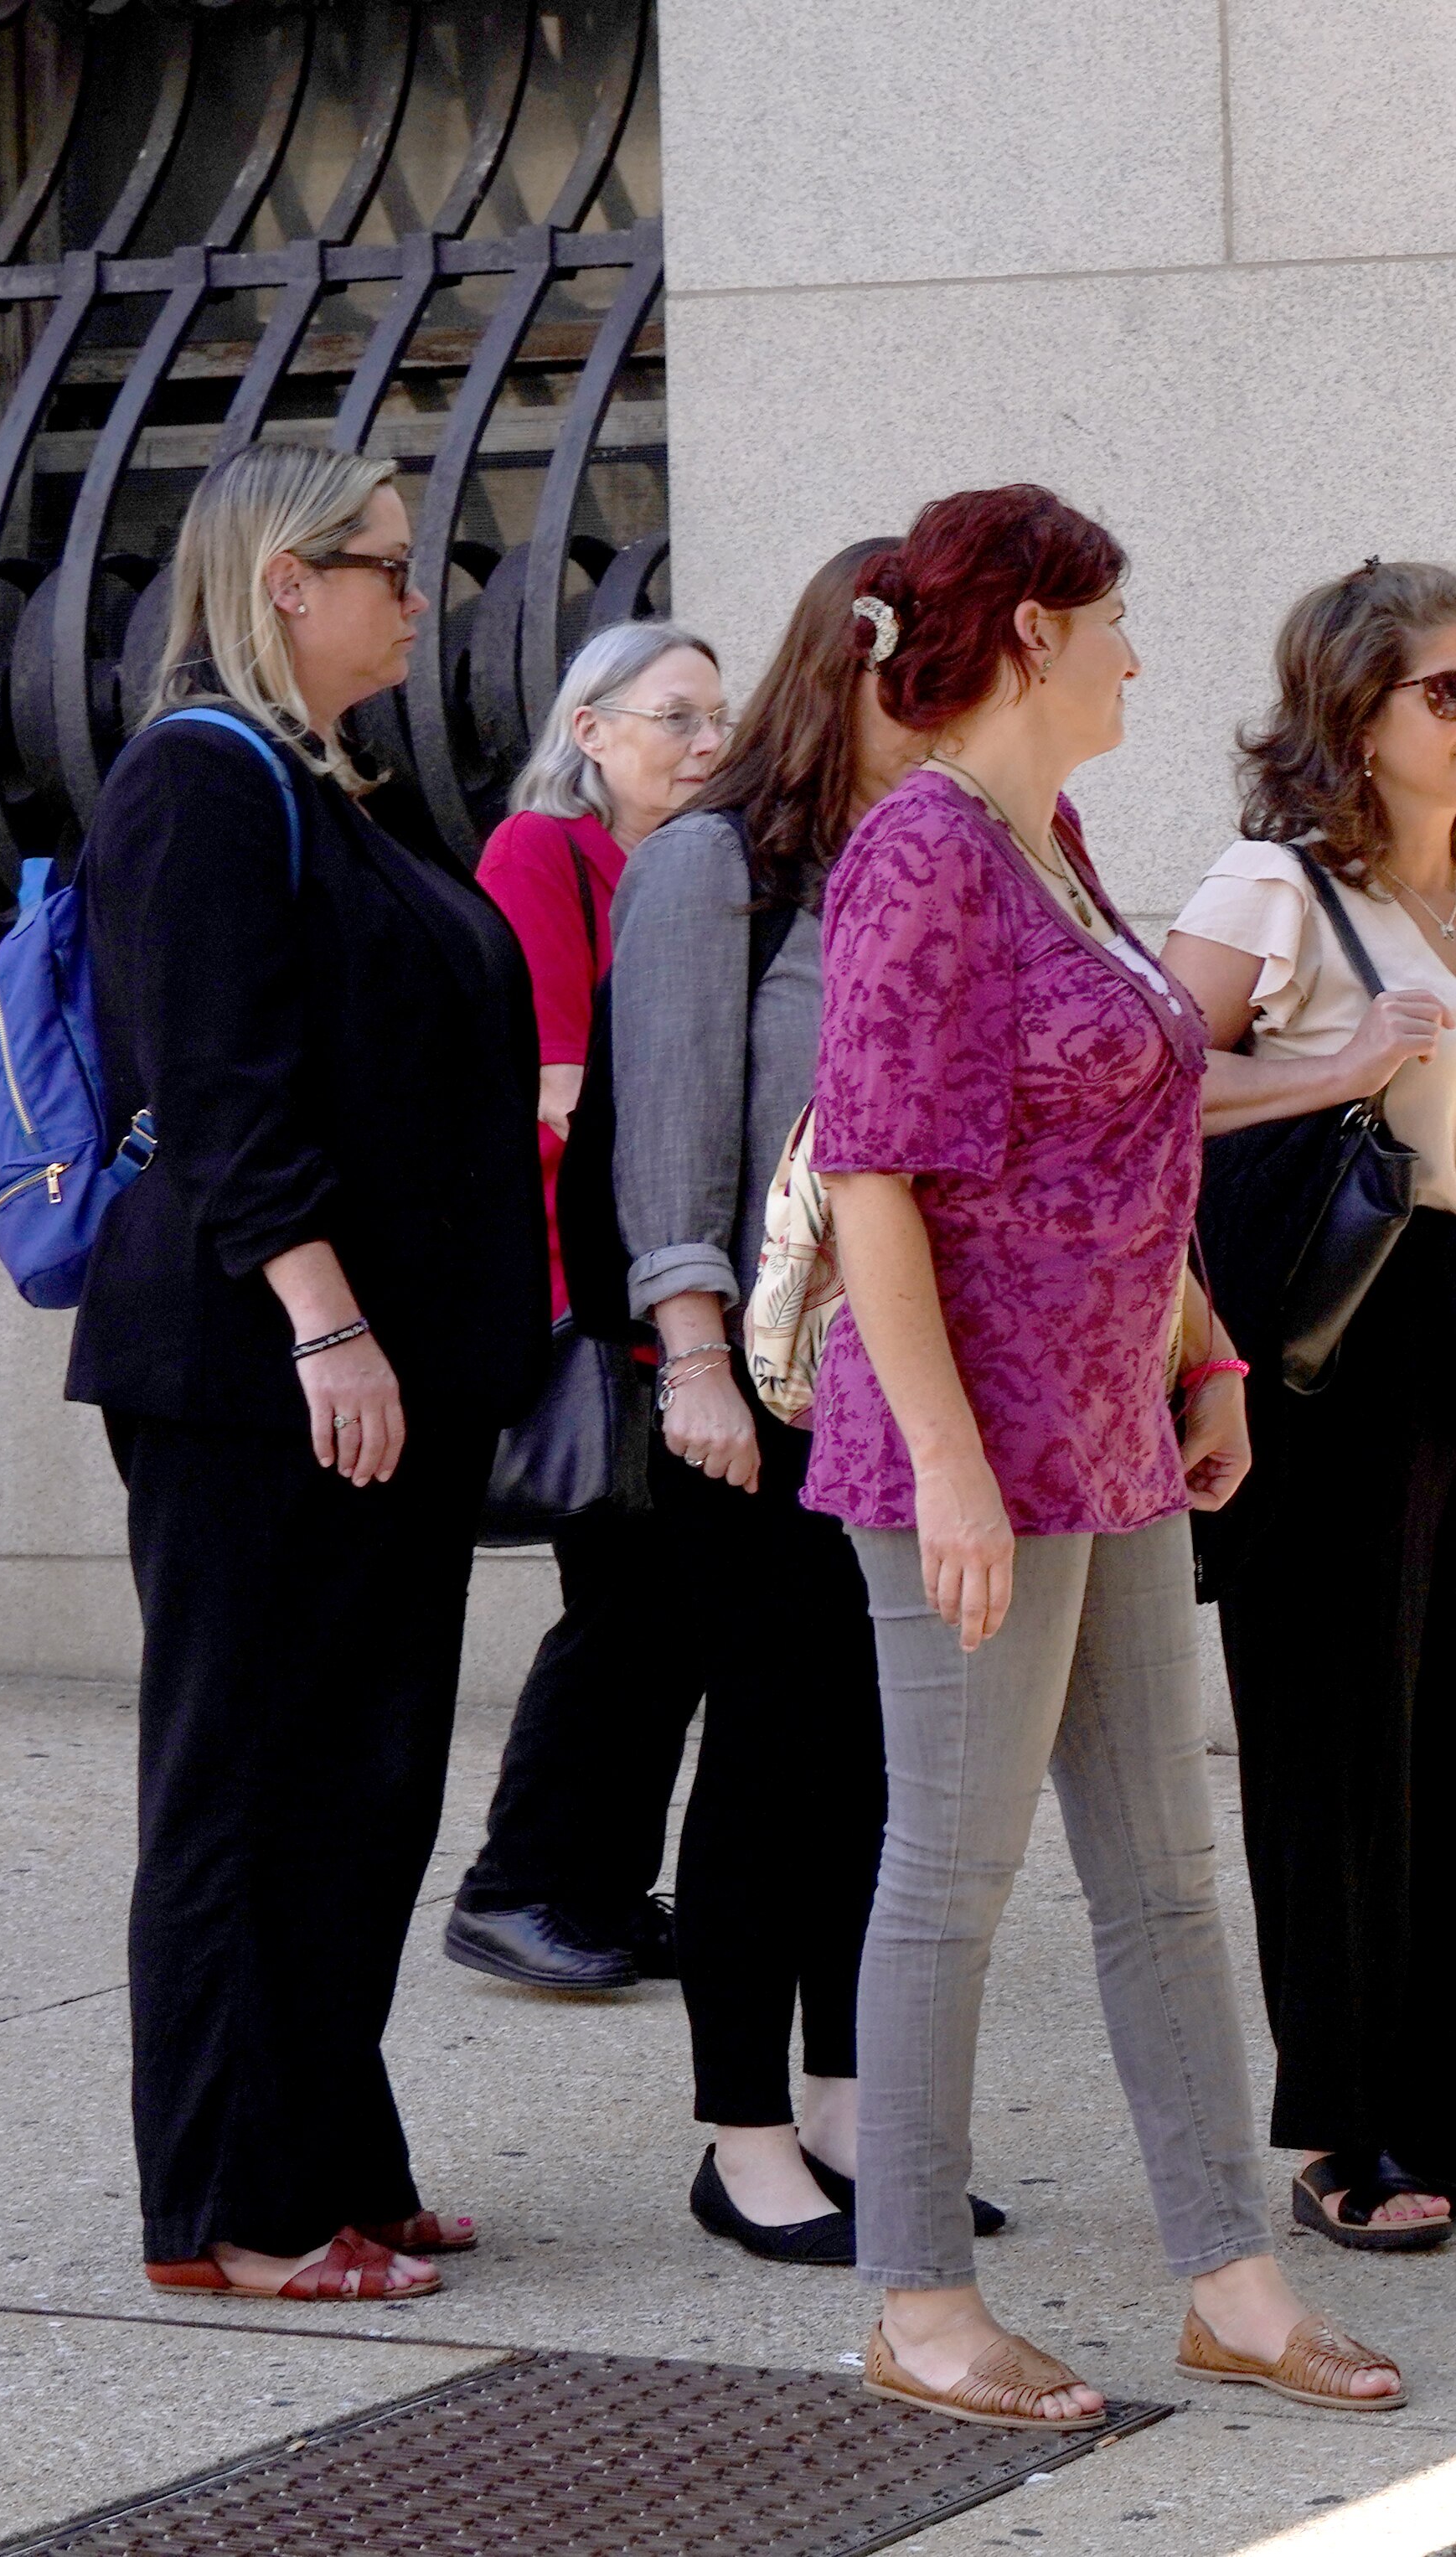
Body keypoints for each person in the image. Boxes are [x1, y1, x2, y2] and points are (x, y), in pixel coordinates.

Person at [811, 483, 1399, 2427]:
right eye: (1121, 618)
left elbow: (1121, 1141)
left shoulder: (1045, 835)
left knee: (1163, 1868)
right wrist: (958, 1470)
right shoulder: (917, 851)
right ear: (1037, 634)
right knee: (951, 1873)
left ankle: (1231, 2276)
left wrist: (1203, 1344)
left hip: (1115, 1427)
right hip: (970, 1454)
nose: (1146, 651)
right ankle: (914, 2297)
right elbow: (878, 1182)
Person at [74, 444, 545, 2302]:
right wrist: (328, 1317)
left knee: (360, 1782)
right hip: (261, 1371)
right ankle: (237, 2206)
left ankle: (337, 2154)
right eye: (385, 564)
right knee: (250, 1777)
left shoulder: (322, 785)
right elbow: (219, 1089)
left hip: (374, 1373)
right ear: (284, 579)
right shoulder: (200, 778)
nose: (417, 597)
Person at [1166, 558, 1456, 2253]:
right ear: (1351, 710)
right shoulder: (1272, 887)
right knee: (1335, 1731)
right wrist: (1335, 1063)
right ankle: (1349, 2124)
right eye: (1450, 689)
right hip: (1330, 1333)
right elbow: (1141, 1077)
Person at [606, 542, 925, 2259]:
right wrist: (695, 1354)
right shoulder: (714, 865)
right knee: (770, 1762)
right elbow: (668, 1131)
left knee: (878, 1768)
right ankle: (742, 2136)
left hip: (899, 1393)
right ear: (857, 664)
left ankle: (852, 2111)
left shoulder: (921, 860)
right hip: (760, 1389)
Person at [442, 620, 733, 1996]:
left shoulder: (695, 865)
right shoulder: (545, 854)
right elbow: (551, 1082)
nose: (704, 743)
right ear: (591, 730)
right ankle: (520, 1889)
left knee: (669, 1610)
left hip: (678, 1273)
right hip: (596, 1285)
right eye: (673, 716)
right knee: (625, 1605)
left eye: (716, 721)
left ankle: (602, 1889)